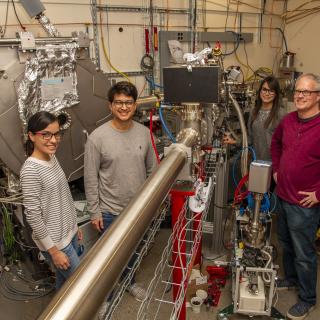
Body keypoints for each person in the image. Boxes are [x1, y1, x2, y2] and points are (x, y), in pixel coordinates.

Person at [84, 81, 157, 315]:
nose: (123, 107)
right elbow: (90, 178)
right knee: (108, 260)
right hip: (109, 210)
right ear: (110, 105)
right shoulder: (97, 138)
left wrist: (151, 204)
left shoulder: (144, 133)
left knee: (135, 252)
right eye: (119, 103)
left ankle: (131, 282)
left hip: (137, 210)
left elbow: (152, 172)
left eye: (128, 103)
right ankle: (106, 296)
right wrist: (95, 211)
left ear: (135, 106)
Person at [271, 73, 320, 320]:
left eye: (306, 92)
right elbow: (276, 144)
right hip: (283, 196)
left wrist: (319, 193)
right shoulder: (289, 120)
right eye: (298, 91)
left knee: (304, 254)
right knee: (286, 245)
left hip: (304, 205)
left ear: (318, 96)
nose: (299, 95)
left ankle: (308, 298)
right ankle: (290, 280)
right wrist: (277, 170)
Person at [20, 111, 82, 290]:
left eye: (56, 134)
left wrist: (74, 226)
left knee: (65, 286)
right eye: (46, 134)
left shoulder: (51, 157)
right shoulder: (31, 171)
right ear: (31, 136)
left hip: (69, 234)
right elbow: (33, 216)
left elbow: (64, 195)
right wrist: (53, 251)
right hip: (57, 244)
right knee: (80, 286)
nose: (53, 140)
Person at [224, 75, 285, 162]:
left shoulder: (281, 114)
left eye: (271, 91)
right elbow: (250, 138)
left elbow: (286, 143)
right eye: (264, 89)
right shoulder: (253, 112)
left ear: (276, 94)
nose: (267, 93)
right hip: (256, 162)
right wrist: (235, 141)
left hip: (274, 163)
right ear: (260, 91)